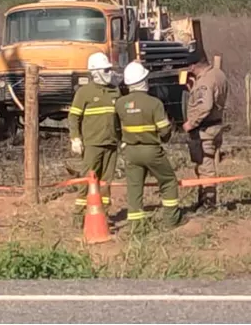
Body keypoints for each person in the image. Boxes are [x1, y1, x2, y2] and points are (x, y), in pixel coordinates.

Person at [116, 61, 183, 229]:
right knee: (167, 181)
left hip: (130, 151)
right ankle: (171, 220)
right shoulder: (155, 103)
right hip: (151, 150)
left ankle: (136, 227)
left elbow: (115, 127)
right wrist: (166, 137)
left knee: (134, 187)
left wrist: (122, 142)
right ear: (144, 81)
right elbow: (164, 130)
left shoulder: (120, 104)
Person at [68, 52, 121, 224]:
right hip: (92, 144)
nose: (109, 73)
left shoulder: (115, 91)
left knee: (106, 182)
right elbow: (74, 117)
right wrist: (75, 138)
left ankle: (103, 215)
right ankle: (79, 216)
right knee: (88, 180)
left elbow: (120, 117)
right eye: (105, 70)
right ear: (95, 71)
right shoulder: (85, 93)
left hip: (111, 143)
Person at [182, 53, 229, 212]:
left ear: (193, 66)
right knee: (207, 164)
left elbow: (205, 105)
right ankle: (203, 201)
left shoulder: (204, 81)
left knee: (205, 167)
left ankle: (209, 204)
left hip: (204, 130)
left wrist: (191, 123)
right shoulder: (218, 74)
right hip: (216, 126)